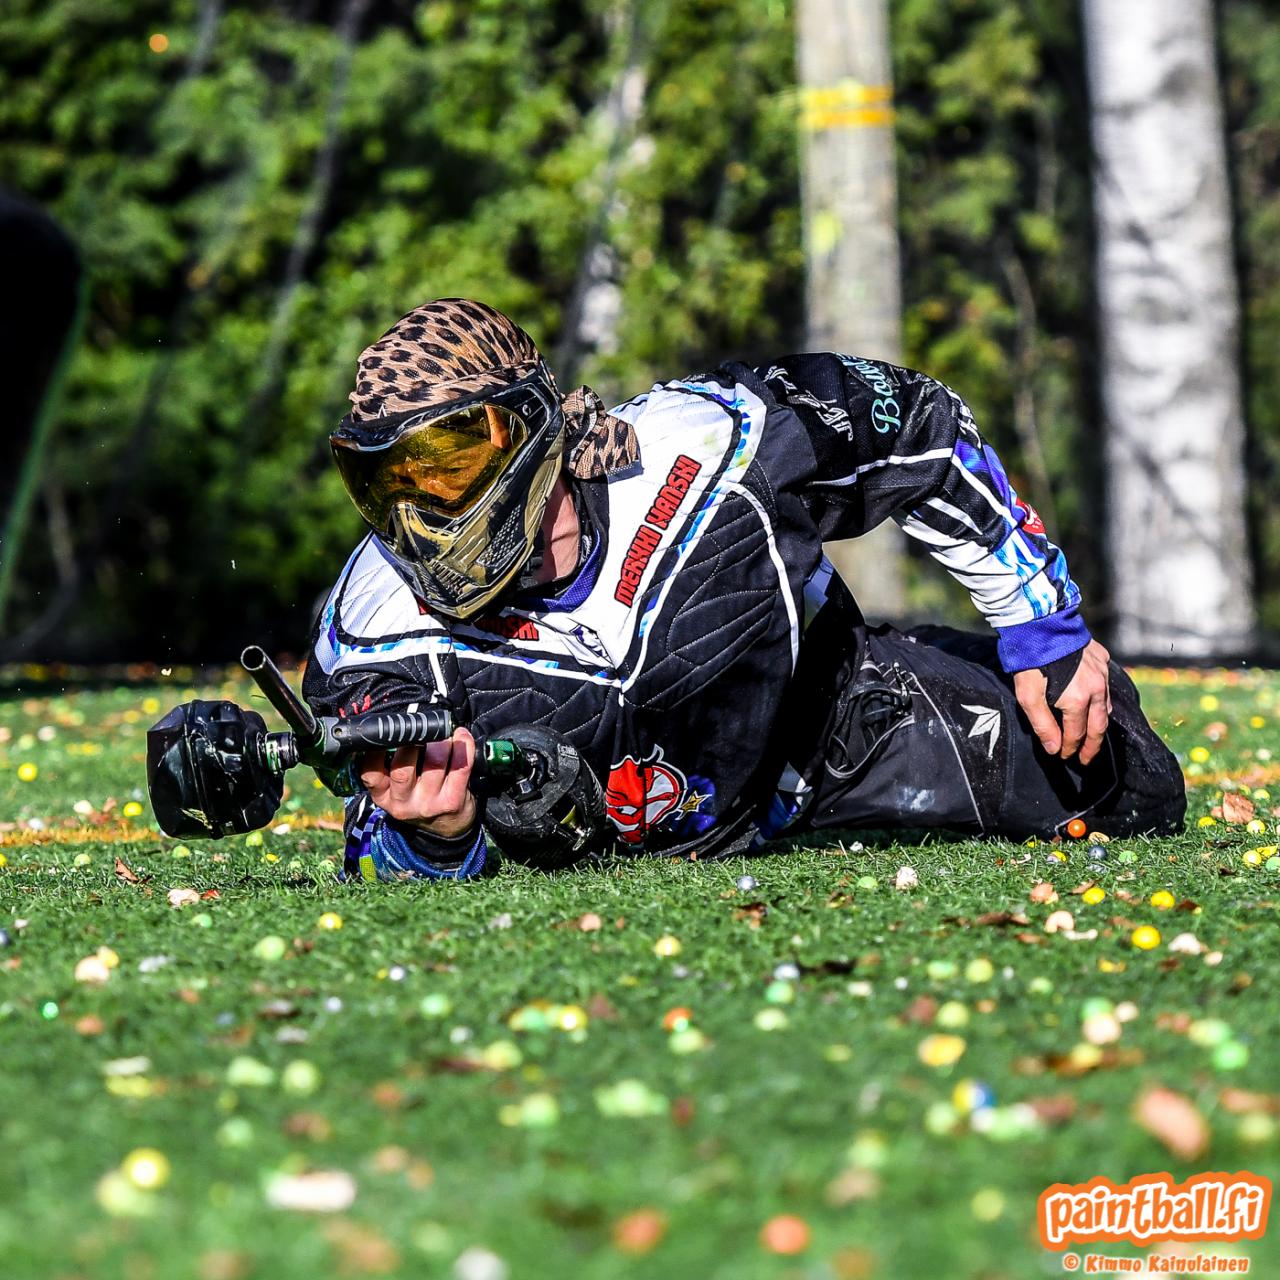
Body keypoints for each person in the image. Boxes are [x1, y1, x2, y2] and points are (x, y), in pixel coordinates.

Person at [302, 298, 1184, 882]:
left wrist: (1042, 630)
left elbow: (920, 424)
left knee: (1128, 781)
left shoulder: (715, 441)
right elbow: (378, 847)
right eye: (387, 482)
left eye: (447, 463)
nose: (419, 509)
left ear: (529, 427)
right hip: (605, 847)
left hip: (845, 732)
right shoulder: (372, 631)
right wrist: (436, 837)